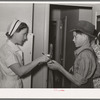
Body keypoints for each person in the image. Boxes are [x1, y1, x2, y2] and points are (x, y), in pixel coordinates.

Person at [0, 19, 49, 88]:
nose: (25, 38)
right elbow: (20, 71)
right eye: (24, 34)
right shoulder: (7, 50)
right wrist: (39, 59)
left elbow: (22, 68)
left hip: (14, 85)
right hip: (9, 87)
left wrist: (39, 62)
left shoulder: (12, 48)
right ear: (14, 33)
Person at [47, 20, 97, 88]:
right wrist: (76, 68)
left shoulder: (85, 55)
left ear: (85, 37)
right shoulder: (89, 51)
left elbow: (78, 82)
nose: (73, 40)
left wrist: (59, 68)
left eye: (75, 37)